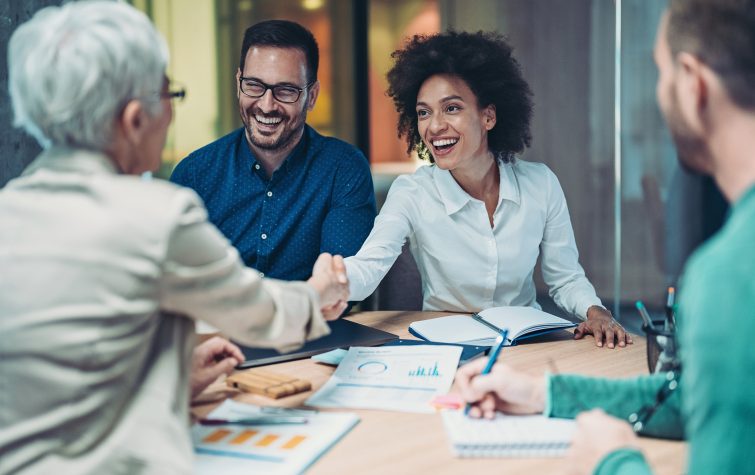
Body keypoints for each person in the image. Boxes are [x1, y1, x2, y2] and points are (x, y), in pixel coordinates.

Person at [0, 3, 350, 473]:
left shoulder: (8, 212)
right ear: (133, 119)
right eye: (169, 95)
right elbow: (260, 314)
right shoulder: (157, 217)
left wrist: (173, 377)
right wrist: (318, 293)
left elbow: (67, 381)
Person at [455, 0, 755, 473]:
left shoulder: (730, 276)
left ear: (694, 84)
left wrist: (612, 461)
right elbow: (694, 396)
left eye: (661, 74)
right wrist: (543, 393)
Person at [345, 31, 631, 348]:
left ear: (488, 116)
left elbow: (564, 277)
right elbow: (369, 267)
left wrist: (596, 311)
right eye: (424, 112)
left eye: (451, 108)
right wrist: (326, 285)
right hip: (446, 345)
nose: (434, 126)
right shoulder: (412, 191)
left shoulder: (541, 184)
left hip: (525, 344)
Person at [170, 20, 376, 282]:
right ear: (238, 82)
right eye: (254, 85)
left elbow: (340, 283)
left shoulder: (342, 169)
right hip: (219, 323)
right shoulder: (195, 174)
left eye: (285, 91)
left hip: (311, 323)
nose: (267, 105)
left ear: (311, 96)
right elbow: (178, 284)